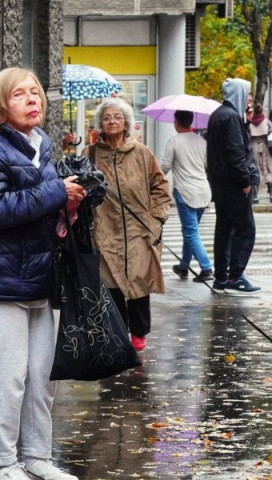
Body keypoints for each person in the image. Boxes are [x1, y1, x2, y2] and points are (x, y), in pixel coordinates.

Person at [0, 67, 85, 480]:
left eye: (36, 92)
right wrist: (55, 192)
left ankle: (37, 457)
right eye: (20, 94)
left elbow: (38, 205)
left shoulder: (41, 145)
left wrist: (71, 206)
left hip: (39, 275)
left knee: (42, 377)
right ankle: (4, 462)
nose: (33, 99)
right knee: (10, 377)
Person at [82, 98, 171, 352]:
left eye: (117, 117)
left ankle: (139, 334)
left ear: (126, 123)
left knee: (139, 282)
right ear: (100, 123)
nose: (112, 121)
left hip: (139, 229)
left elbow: (161, 187)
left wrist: (155, 219)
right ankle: (118, 335)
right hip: (104, 230)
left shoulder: (142, 153)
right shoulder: (89, 154)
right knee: (112, 286)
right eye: (107, 117)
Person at [205, 78, 261, 295]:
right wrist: (245, 181)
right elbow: (236, 152)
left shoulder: (218, 115)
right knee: (245, 229)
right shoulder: (231, 118)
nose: (249, 99)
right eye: (246, 93)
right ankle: (235, 276)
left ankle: (221, 277)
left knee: (224, 230)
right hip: (233, 185)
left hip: (220, 184)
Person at [159, 110, 213, 282]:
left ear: (176, 122)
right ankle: (183, 266)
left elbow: (165, 166)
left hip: (185, 191)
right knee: (191, 230)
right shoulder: (202, 141)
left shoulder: (174, 141)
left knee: (191, 232)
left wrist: (155, 180)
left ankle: (206, 268)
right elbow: (207, 164)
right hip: (203, 190)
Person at [249, 104, 272, 203]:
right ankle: (271, 194)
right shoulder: (267, 122)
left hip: (254, 148)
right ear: (262, 111)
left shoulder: (250, 123)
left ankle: (254, 196)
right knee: (268, 169)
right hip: (265, 147)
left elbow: (248, 137)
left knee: (255, 170)